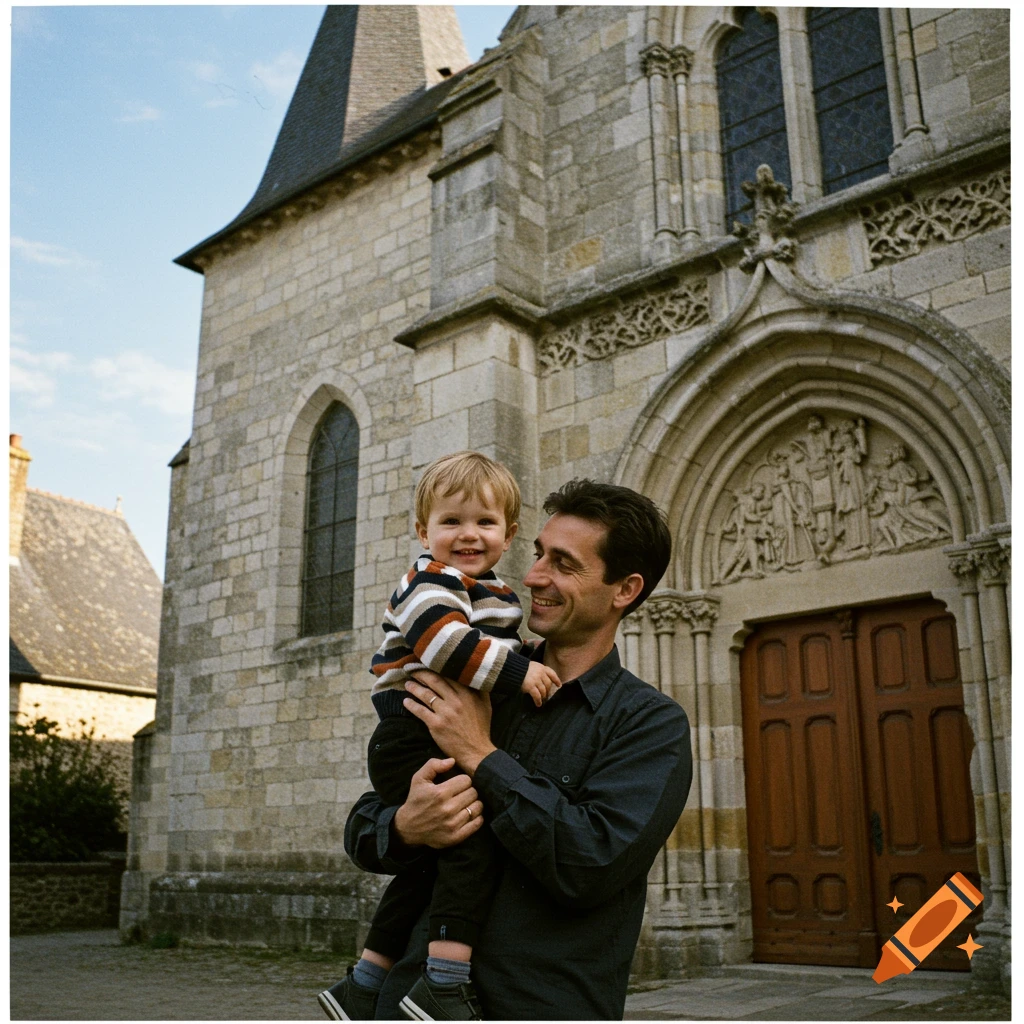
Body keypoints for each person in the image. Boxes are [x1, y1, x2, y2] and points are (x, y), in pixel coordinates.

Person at [344, 479, 693, 1020]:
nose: (533, 577)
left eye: (563, 563)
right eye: (536, 554)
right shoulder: (473, 682)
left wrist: (481, 755)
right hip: (407, 1004)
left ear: (624, 590)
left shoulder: (650, 724)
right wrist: (407, 826)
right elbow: (365, 824)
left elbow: (590, 864)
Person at [318, 451, 561, 1022]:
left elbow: (488, 648)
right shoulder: (429, 582)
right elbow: (445, 647)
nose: (468, 534)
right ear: (424, 531)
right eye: (451, 522)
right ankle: (444, 983)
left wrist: (521, 658)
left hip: (431, 730)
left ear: (510, 534)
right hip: (410, 733)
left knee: (428, 859)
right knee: (471, 839)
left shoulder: (491, 590)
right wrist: (523, 671)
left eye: (484, 522)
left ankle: (363, 982)